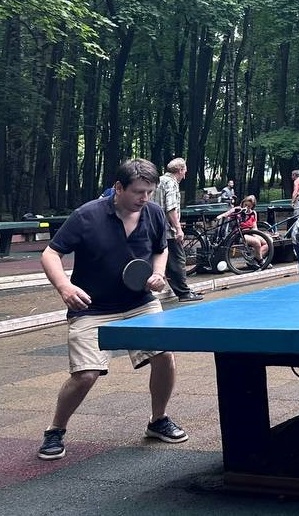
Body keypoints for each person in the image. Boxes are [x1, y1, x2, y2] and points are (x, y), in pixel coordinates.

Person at [36, 158, 189, 461]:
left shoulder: (154, 214)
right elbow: (50, 254)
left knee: (164, 355)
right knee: (86, 374)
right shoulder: (87, 215)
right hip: (92, 308)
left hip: (140, 303)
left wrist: (159, 273)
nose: (145, 198)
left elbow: (161, 249)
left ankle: (158, 420)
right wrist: (65, 287)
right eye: (138, 192)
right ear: (119, 188)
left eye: (149, 192)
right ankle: (55, 430)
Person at [152, 157, 203, 302]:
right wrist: (178, 229)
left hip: (154, 227)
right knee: (178, 260)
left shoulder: (158, 180)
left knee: (161, 258)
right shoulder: (171, 183)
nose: (185, 174)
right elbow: (171, 208)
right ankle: (184, 293)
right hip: (168, 230)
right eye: (185, 171)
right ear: (180, 170)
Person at [220, 195, 269, 263]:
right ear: (243, 203)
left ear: (252, 206)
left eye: (249, 206)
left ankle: (255, 259)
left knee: (268, 241)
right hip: (239, 234)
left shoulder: (253, 213)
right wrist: (220, 217)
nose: (246, 207)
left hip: (251, 232)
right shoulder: (237, 210)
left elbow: (254, 227)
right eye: (245, 205)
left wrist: (256, 235)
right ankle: (260, 261)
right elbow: (227, 214)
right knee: (256, 242)